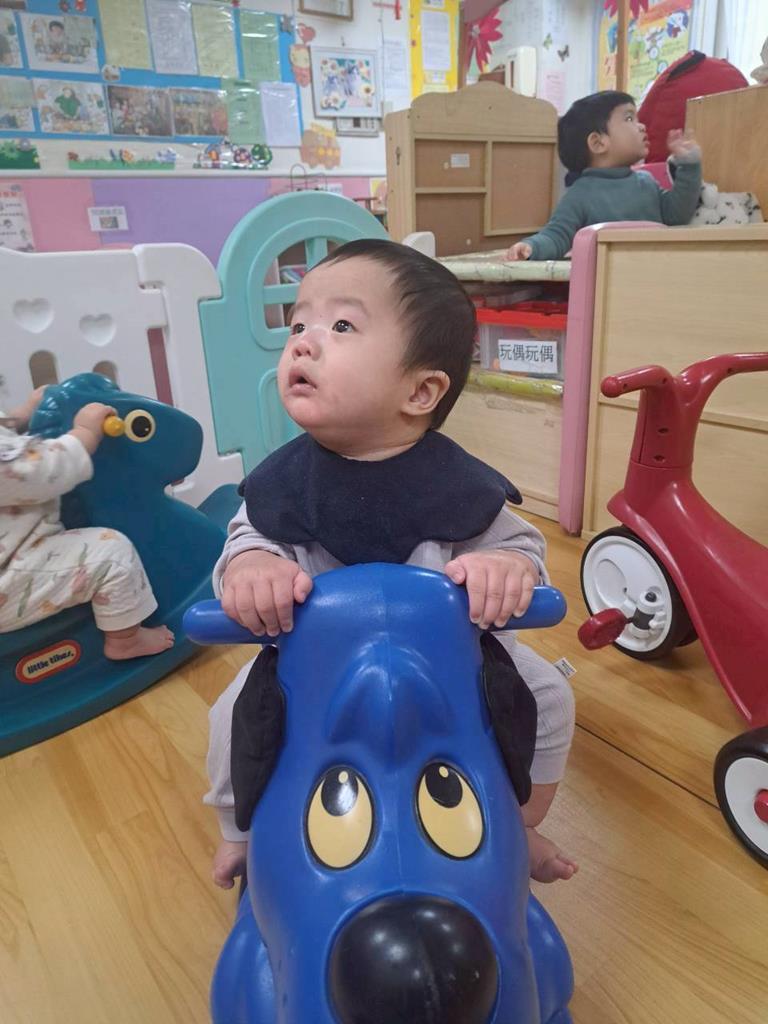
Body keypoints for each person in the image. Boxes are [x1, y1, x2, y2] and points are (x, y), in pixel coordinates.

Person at [204, 239, 577, 890]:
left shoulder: (459, 486)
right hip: (309, 670)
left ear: (421, 390)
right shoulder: (283, 485)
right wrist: (252, 567)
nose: (303, 343)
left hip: (456, 664)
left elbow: (522, 549)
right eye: (298, 324)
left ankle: (518, 823)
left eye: (341, 326)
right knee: (229, 713)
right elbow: (245, 540)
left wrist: (506, 568)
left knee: (550, 695)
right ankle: (244, 832)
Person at [0, 388, 174, 659]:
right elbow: (41, 470)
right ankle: (126, 640)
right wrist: (85, 433)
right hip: (9, 576)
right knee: (112, 554)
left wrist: (22, 414)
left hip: (14, 557)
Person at [505, 89, 702, 262]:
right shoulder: (580, 195)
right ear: (598, 143)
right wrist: (532, 247)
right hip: (606, 285)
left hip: (657, 274)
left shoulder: (647, 182)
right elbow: (557, 235)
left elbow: (677, 215)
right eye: (629, 118)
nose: (641, 126)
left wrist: (689, 165)